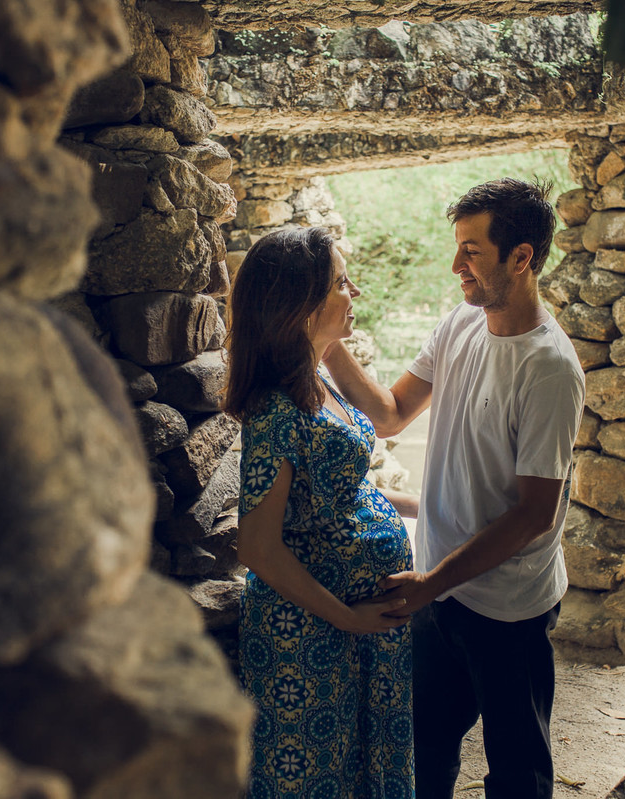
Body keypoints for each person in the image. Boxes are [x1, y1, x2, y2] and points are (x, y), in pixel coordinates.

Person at [322, 178, 585, 799]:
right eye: (457, 248)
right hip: (438, 589)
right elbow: (389, 415)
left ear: (522, 257)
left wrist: (429, 585)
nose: (455, 266)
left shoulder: (548, 368)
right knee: (424, 749)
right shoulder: (460, 325)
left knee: (517, 770)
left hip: (507, 606)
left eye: (472, 251)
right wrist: (324, 339)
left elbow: (532, 516)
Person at [224, 226, 419, 799]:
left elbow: (341, 492)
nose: (352, 290)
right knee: (313, 776)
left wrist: (428, 505)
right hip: (309, 635)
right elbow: (257, 547)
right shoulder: (274, 411)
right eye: (339, 282)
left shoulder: (318, 379)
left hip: (356, 624)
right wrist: (347, 617)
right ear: (301, 303)